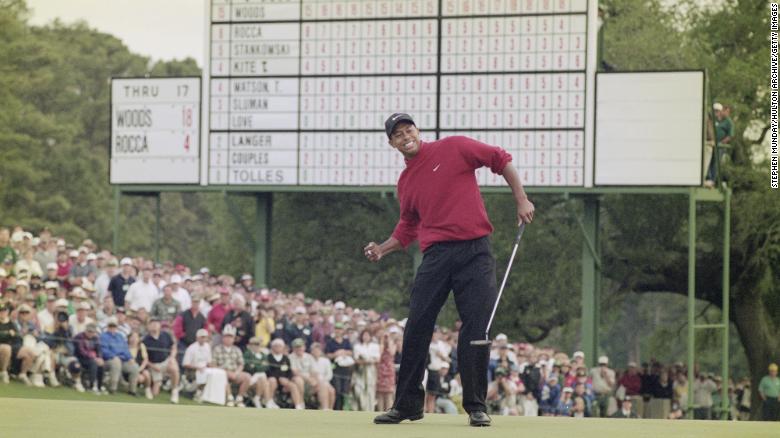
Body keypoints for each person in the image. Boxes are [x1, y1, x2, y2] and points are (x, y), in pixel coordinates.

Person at [366, 113, 534, 427]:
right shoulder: (406, 182)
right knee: (417, 324)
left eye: (408, 130)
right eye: (398, 135)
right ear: (392, 144)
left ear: (417, 130)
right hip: (436, 256)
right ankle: (407, 406)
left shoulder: (454, 147)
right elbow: (407, 228)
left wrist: (521, 199)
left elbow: (500, 159)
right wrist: (382, 249)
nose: (406, 137)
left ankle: (476, 406)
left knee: (475, 327)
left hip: (475, 251)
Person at [182, 328, 228, 405]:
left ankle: (215, 397)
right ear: (197, 338)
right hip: (193, 370)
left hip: (205, 369)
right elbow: (186, 364)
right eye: (202, 337)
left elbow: (209, 362)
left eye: (205, 337)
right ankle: (198, 394)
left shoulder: (207, 347)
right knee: (205, 374)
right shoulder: (191, 348)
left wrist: (215, 367)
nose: (204, 339)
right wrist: (198, 367)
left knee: (219, 373)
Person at [142, 317, 180, 403]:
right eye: (152, 323)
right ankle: (160, 382)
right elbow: (144, 358)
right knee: (155, 393)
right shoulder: (145, 340)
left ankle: (174, 391)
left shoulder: (166, 335)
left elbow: (173, 347)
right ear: (149, 326)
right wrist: (153, 366)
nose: (155, 325)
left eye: (157, 323)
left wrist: (172, 358)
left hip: (166, 361)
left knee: (174, 368)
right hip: (154, 365)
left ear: (160, 325)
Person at [99, 316, 140, 395]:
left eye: (114, 326)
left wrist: (130, 358)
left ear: (116, 327)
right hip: (108, 360)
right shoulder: (103, 336)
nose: (112, 328)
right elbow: (103, 350)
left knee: (135, 366)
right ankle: (112, 389)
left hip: (122, 360)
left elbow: (125, 349)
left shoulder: (120, 336)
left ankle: (132, 390)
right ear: (107, 326)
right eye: (110, 326)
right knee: (116, 363)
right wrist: (113, 356)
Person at [213, 325, 251, 407]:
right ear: (223, 338)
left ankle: (239, 399)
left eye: (230, 337)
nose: (228, 339)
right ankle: (229, 397)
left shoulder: (237, 350)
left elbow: (241, 364)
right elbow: (213, 364)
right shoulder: (217, 349)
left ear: (234, 339)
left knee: (247, 376)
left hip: (235, 373)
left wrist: (237, 373)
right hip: (222, 373)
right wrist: (225, 372)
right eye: (226, 337)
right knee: (223, 375)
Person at [266, 338, 304, 409]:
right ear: (272, 347)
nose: (278, 348)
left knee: (293, 386)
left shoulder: (286, 358)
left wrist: (288, 379)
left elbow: (289, 371)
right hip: (273, 380)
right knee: (272, 381)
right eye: (276, 346)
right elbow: (268, 371)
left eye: (280, 346)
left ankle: (298, 405)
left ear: (283, 348)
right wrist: (279, 378)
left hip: (284, 381)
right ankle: (269, 402)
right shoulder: (269, 357)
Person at [325, 321, 354, 410]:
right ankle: (336, 409)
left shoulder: (346, 341)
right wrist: (335, 354)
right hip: (336, 369)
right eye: (337, 329)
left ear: (342, 331)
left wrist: (343, 352)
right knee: (337, 391)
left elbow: (351, 352)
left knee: (345, 392)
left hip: (346, 370)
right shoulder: (330, 342)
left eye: (340, 329)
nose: (338, 331)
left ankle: (344, 409)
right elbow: (327, 355)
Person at [352, 329, 380, 412]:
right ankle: (360, 408)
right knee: (359, 389)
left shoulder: (375, 346)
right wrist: (365, 361)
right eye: (364, 335)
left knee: (370, 389)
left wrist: (369, 361)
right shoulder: (357, 346)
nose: (366, 337)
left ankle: (370, 409)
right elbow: (356, 360)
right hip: (360, 371)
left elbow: (377, 359)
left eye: (368, 335)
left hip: (371, 370)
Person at [74, 323, 105, 394]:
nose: (90, 333)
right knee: (93, 363)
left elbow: (99, 350)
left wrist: (100, 358)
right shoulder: (80, 337)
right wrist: (93, 357)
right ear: (86, 330)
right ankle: (91, 386)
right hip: (80, 358)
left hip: (92, 358)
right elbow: (81, 351)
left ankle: (99, 386)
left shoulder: (96, 338)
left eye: (92, 332)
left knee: (101, 364)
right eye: (89, 331)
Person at [243, 336, 271, 409]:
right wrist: (259, 366)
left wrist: (256, 366)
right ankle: (266, 401)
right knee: (263, 377)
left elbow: (266, 367)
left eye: (258, 344)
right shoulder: (247, 354)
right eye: (254, 344)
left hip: (259, 380)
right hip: (250, 378)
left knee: (263, 379)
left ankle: (258, 398)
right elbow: (248, 367)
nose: (256, 346)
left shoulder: (263, 355)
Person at [376, 330, 397, 412]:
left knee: (389, 393)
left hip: (389, 370)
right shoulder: (378, 345)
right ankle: (380, 411)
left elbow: (392, 353)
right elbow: (379, 354)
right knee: (380, 393)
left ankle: (389, 411)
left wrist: (389, 341)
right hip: (380, 369)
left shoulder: (393, 344)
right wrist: (381, 342)